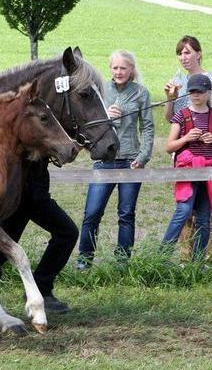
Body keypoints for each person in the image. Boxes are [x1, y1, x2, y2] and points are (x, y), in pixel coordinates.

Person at [76, 50, 154, 268]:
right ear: (110, 69)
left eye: (123, 68)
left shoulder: (141, 93)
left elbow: (147, 127)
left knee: (126, 214)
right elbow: (87, 123)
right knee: (92, 213)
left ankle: (122, 262)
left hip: (130, 161)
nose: (119, 72)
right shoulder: (100, 91)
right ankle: (84, 260)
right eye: (115, 68)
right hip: (104, 160)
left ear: (131, 70)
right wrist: (107, 118)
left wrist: (143, 156)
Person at [163, 35, 212, 261]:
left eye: (188, 52)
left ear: (199, 53)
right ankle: (185, 258)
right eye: (180, 53)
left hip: (209, 155)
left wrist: (211, 137)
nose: (183, 57)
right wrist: (170, 98)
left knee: (206, 214)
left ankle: (207, 260)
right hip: (184, 155)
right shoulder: (178, 80)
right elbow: (172, 118)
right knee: (185, 212)